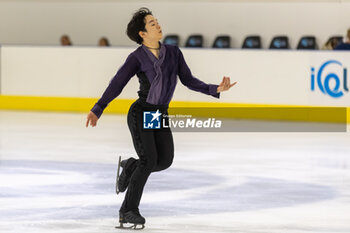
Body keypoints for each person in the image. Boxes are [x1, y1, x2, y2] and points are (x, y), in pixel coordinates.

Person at [85, 7, 236, 229]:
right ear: (142, 34)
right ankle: (128, 210)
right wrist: (98, 108)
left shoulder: (174, 53)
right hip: (142, 112)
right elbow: (117, 83)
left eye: (157, 21)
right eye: (152, 23)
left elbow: (189, 80)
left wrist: (216, 88)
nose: (158, 25)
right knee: (148, 161)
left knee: (164, 161)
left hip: (159, 114)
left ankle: (130, 167)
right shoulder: (136, 58)